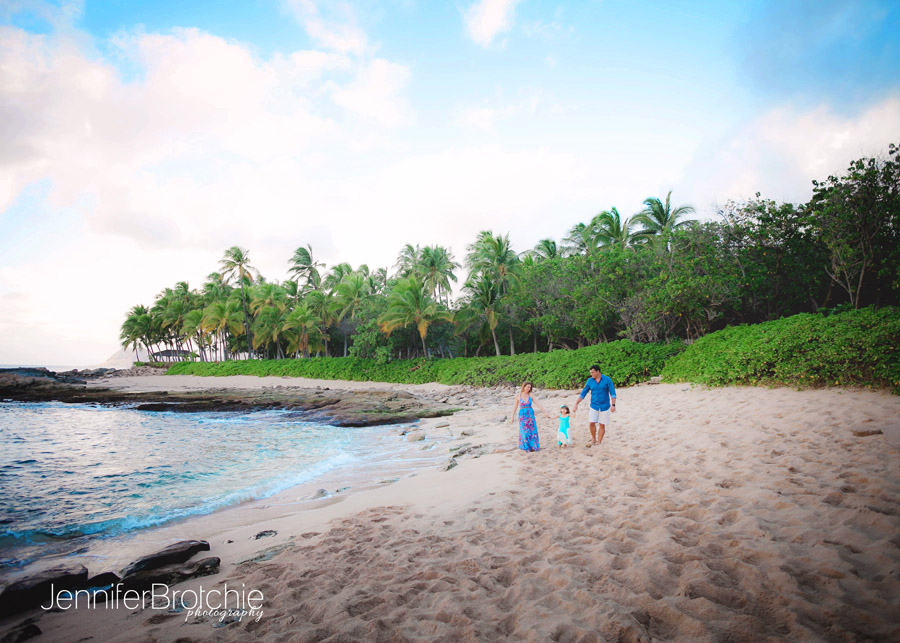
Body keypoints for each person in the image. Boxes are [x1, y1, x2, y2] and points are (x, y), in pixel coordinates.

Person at [573, 364, 617, 446]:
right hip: (594, 405)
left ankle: (599, 442)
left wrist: (613, 405)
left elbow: (613, 393)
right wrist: (576, 404)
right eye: (590, 372)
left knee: (602, 424)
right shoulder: (590, 381)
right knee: (591, 422)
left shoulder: (607, 380)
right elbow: (583, 393)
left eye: (592, 372)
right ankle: (593, 439)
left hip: (605, 406)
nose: (591, 374)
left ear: (598, 372)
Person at [510, 381, 550, 452]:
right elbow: (515, 407)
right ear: (524, 387)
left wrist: (545, 412)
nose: (529, 388)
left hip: (530, 415)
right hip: (522, 415)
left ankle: (533, 447)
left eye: (530, 387)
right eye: (528, 387)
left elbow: (538, 404)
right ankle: (526, 447)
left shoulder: (531, 395)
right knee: (524, 432)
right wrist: (512, 417)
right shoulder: (518, 396)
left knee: (532, 431)